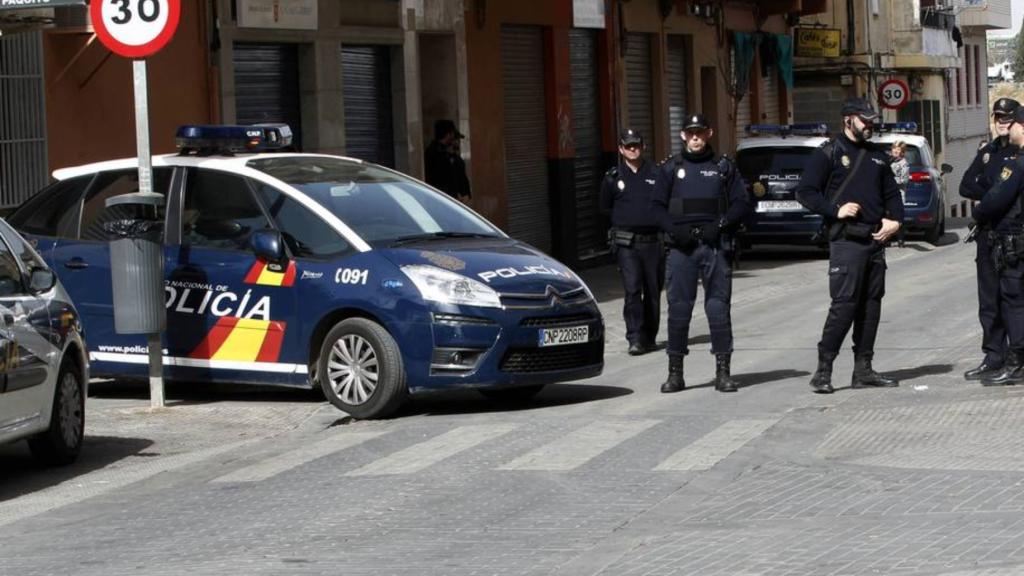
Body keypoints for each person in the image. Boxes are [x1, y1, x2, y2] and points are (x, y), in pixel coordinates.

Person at [795, 97, 904, 394]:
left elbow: (892, 194)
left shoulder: (878, 156)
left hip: (874, 241)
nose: (870, 125)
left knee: (871, 308)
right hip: (847, 242)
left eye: (872, 121)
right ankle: (823, 370)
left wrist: (895, 221)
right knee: (843, 308)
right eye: (865, 120)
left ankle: (863, 370)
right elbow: (804, 192)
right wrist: (835, 210)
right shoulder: (829, 153)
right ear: (848, 120)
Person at [652, 114, 749, 393]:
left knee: (718, 308)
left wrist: (719, 225)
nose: (695, 138)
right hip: (681, 249)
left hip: (714, 246)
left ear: (709, 133)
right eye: (690, 133)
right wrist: (675, 230)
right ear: (683, 135)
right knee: (679, 310)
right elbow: (656, 208)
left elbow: (742, 203)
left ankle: (723, 372)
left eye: (700, 132)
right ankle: (675, 373)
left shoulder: (723, 167)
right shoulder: (670, 168)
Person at [959, 97, 1021, 382]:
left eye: (1007, 119)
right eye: (997, 118)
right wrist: (992, 188)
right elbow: (966, 184)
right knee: (989, 300)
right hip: (987, 234)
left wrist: (992, 191)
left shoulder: (1018, 155)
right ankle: (993, 355)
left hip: (1010, 235)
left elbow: (1003, 192)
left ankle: (1014, 357)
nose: (1001, 123)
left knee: (1013, 299)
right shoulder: (989, 151)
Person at [599, 129, 663, 356]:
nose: (633, 149)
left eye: (636, 145)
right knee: (633, 290)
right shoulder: (613, 177)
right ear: (621, 149)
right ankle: (634, 338)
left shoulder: (657, 173)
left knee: (653, 291)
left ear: (642, 147)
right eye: (628, 146)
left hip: (653, 242)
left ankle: (650, 336)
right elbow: (605, 207)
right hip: (627, 244)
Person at [424, 119, 471, 202]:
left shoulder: (447, 155)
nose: (456, 142)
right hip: (442, 200)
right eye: (454, 137)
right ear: (448, 134)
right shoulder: (435, 154)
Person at [889, 141, 910, 248]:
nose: (896, 151)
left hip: (898, 193)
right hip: (887, 194)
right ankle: (886, 239)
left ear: (902, 152)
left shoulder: (903, 163)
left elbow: (904, 180)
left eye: (899, 149)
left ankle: (900, 239)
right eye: (894, 148)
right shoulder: (888, 160)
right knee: (887, 216)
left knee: (898, 217)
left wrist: (891, 180)